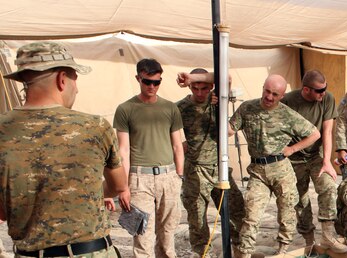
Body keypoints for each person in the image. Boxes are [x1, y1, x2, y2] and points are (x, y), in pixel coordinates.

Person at [1, 41, 129, 257]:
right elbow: (119, 185)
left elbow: (3, 211)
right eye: (75, 80)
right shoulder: (94, 127)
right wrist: (89, 192)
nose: (76, 88)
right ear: (62, 79)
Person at [229, 75, 321, 256]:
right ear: (263, 87)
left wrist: (293, 148)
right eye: (267, 91)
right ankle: (245, 254)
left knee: (286, 213)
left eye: (275, 94)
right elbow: (230, 129)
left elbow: (314, 134)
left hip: (281, 170)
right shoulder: (247, 108)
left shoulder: (287, 114)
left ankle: (282, 251)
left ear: (282, 96)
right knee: (251, 216)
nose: (269, 97)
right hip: (257, 172)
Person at [114, 58, 184, 258]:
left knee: (168, 236)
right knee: (142, 236)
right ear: (138, 78)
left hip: (168, 177)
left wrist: (179, 176)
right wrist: (124, 187)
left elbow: (177, 145)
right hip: (139, 179)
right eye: (147, 82)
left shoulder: (170, 108)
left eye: (157, 82)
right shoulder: (125, 109)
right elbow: (123, 150)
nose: (152, 86)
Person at [176, 68, 246, 257]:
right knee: (197, 219)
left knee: (236, 212)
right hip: (196, 171)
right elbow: (169, 135)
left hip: (220, 168)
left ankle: (240, 252)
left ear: (211, 86)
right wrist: (181, 145)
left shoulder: (219, 100)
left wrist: (193, 78)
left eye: (204, 88)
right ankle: (203, 254)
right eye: (195, 87)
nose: (199, 93)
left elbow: (227, 76)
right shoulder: (180, 108)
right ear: (189, 87)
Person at [280, 70, 347, 253]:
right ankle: (309, 240)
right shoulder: (288, 101)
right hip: (293, 159)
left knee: (328, 186)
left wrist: (327, 162)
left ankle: (327, 236)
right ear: (306, 89)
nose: (323, 93)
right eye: (319, 90)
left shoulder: (327, 99)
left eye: (325, 88)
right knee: (299, 199)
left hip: (316, 156)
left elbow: (327, 131)